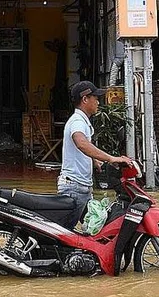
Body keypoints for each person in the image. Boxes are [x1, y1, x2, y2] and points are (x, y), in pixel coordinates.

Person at [57, 80, 133, 230]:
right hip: (75, 189)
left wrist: (95, 160)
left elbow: (84, 146)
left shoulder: (82, 121)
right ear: (85, 99)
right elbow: (81, 143)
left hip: (82, 187)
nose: (98, 102)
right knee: (65, 234)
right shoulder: (78, 121)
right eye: (95, 98)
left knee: (93, 229)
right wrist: (111, 158)